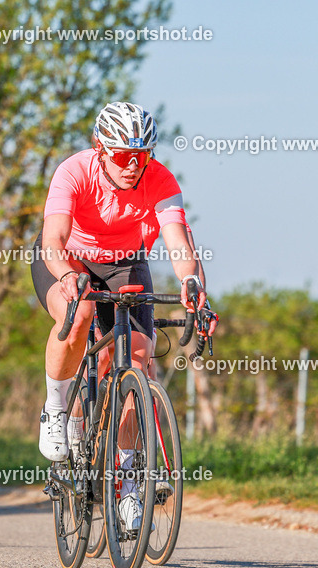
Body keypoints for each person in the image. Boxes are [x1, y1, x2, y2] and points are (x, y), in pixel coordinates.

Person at [31, 102, 212, 530]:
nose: (133, 166)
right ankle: (56, 409)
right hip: (66, 258)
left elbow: (180, 243)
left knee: (136, 358)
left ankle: (127, 482)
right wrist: (67, 276)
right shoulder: (73, 172)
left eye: (142, 155)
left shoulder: (161, 180)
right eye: (123, 156)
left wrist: (192, 287)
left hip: (125, 263)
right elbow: (54, 239)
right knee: (80, 316)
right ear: (100, 149)